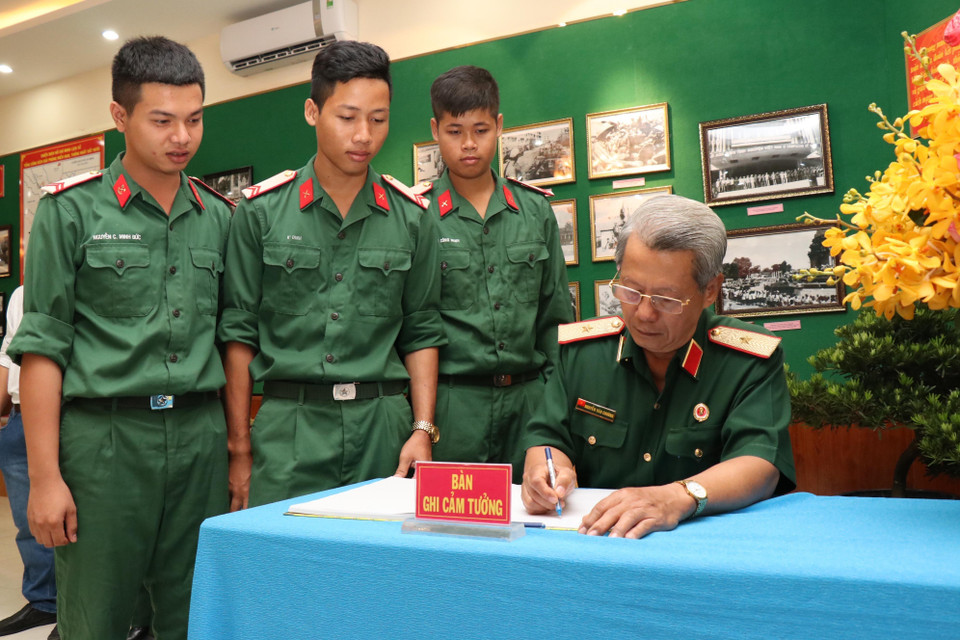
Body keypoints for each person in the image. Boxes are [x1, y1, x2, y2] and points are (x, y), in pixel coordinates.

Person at [8, 36, 234, 639]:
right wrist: (45, 478)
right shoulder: (70, 212)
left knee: (195, 615)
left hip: (199, 437)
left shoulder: (219, 217)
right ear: (119, 115)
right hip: (105, 443)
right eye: (162, 120)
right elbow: (43, 350)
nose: (182, 136)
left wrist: (236, 451)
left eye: (194, 119)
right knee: (97, 617)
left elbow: (233, 337)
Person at [220, 40, 445, 509]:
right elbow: (239, 334)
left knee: (380, 554)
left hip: (382, 425)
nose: (364, 135)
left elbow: (422, 330)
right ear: (312, 112)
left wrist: (422, 428)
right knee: (283, 553)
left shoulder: (412, 217)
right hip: (289, 427)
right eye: (347, 117)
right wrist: (239, 448)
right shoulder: (261, 213)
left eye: (378, 119)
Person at [520, 194, 795, 539]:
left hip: (707, 546)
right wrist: (545, 472)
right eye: (631, 291)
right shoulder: (582, 354)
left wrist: (676, 498)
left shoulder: (746, 360)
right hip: (599, 541)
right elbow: (547, 438)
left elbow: (760, 463)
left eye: (666, 300)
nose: (644, 314)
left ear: (710, 290)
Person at [422, 66, 571, 479]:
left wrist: (554, 405)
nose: (469, 144)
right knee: (452, 516)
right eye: (454, 131)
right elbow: (414, 326)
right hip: (452, 408)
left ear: (499, 125)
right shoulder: (419, 216)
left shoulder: (534, 210)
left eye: (481, 129)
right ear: (435, 130)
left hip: (530, 402)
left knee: (537, 508)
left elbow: (556, 319)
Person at [0, 286, 58, 640]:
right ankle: (44, 601)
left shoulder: (78, 282)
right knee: (28, 522)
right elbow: (8, 356)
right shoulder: (20, 294)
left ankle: (81, 607)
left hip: (66, 413)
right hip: (19, 418)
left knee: (79, 522)